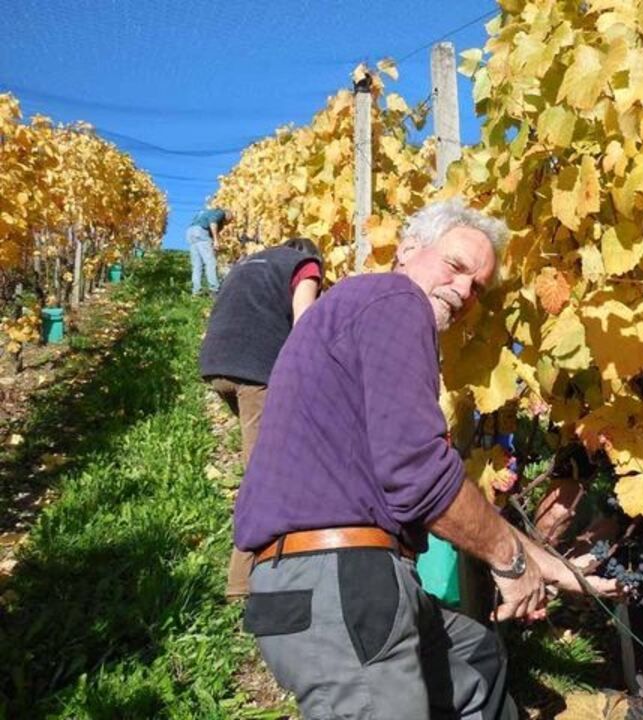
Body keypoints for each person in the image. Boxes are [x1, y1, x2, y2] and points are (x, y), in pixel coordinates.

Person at [233, 199, 617, 720]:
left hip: (327, 582)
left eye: (477, 286)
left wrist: (550, 566)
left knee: (477, 661)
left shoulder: (350, 314)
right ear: (409, 249)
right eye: (456, 267)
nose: (463, 291)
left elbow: (416, 478)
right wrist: (511, 561)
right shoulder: (393, 297)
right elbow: (417, 474)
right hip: (341, 584)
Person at [199, 237, 323, 599]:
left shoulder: (250, 264)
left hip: (216, 363)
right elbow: (305, 329)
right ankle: (242, 584)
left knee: (269, 452)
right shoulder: (305, 266)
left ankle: (278, 554)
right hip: (256, 370)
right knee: (265, 473)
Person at [187, 206, 232, 295]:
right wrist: (216, 241)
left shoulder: (207, 212)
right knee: (211, 263)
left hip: (190, 233)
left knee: (197, 265)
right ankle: (214, 289)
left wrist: (214, 246)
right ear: (228, 214)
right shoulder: (220, 212)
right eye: (229, 220)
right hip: (200, 232)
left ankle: (196, 291)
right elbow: (213, 223)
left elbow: (209, 234)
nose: (228, 223)